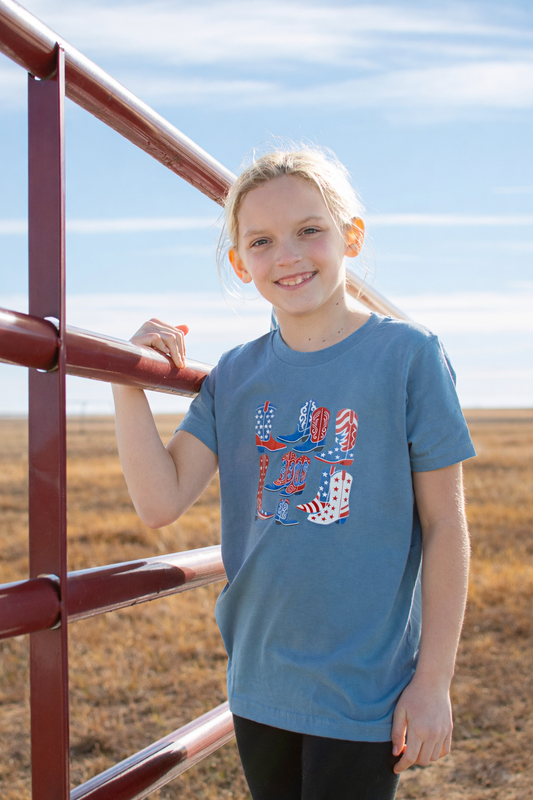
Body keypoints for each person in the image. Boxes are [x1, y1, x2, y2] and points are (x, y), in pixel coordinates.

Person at [112, 147, 475, 800]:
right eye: (261, 240)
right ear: (239, 263)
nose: (287, 255)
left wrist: (432, 682)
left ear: (350, 238)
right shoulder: (236, 374)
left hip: (363, 683)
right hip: (259, 677)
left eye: (309, 230)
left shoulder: (407, 356)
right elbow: (159, 500)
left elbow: (445, 523)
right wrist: (127, 376)